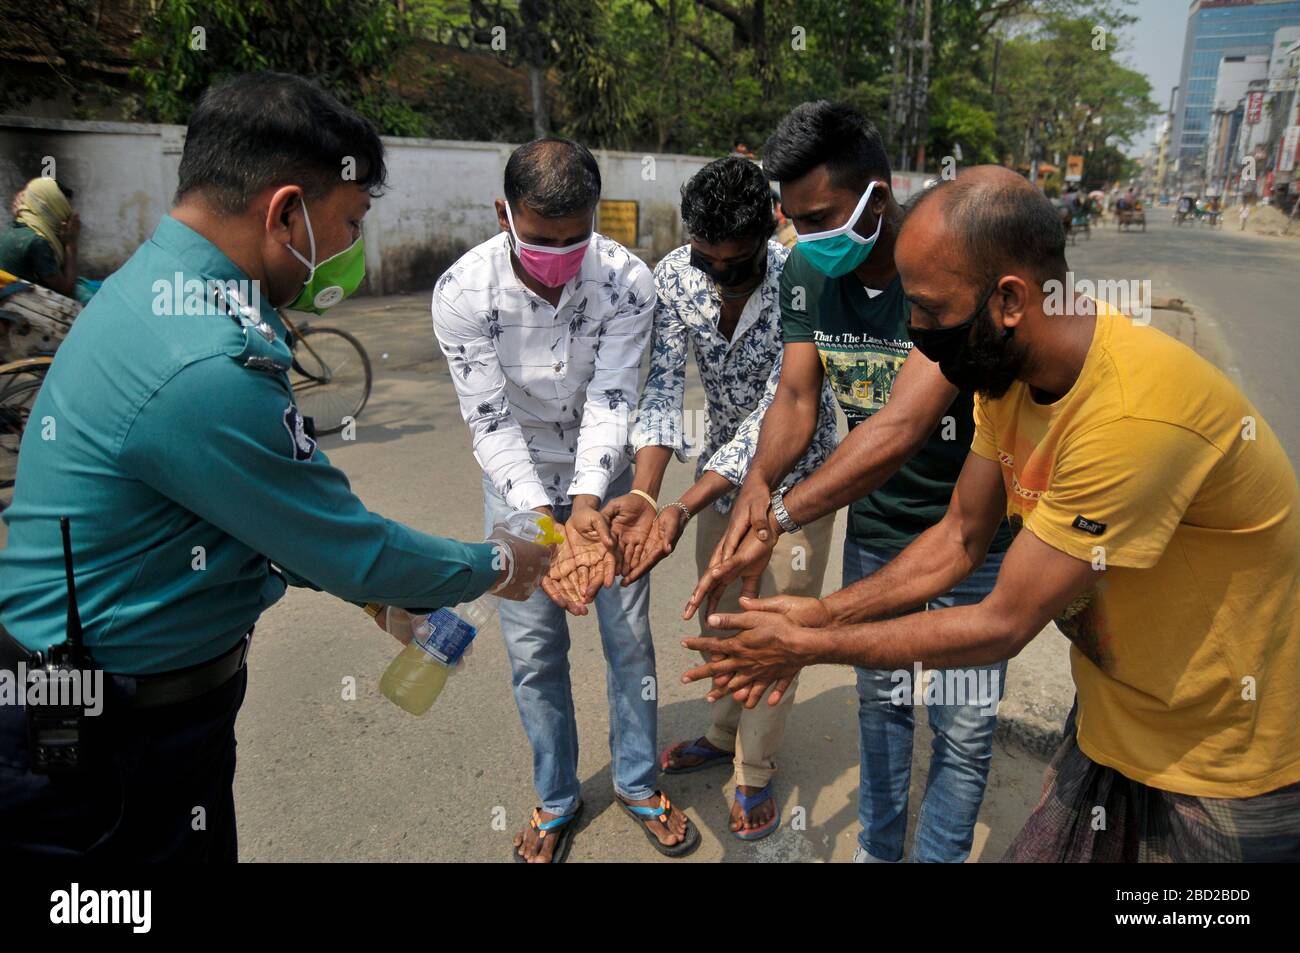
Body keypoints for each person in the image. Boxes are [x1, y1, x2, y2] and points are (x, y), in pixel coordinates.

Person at [0, 72, 554, 861]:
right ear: (286, 210)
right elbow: (346, 543)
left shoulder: (167, 291)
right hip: (100, 742)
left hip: (131, 715)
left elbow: (244, 511)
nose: (353, 250)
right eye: (350, 221)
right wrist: (500, 561)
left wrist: (375, 601)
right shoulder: (200, 363)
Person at [682, 165, 1300, 863]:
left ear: (1009, 299)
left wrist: (812, 646)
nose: (915, 331)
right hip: (1116, 723)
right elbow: (958, 538)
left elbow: (1002, 621)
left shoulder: (1130, 415)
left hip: (1229, 764)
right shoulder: (1005, 378)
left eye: (932, 310)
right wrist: (825, 613)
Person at [687, 102, 1014, 864]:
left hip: (974, 530)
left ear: (881, 190)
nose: (811, 237)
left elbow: (899, 427)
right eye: (796, 220)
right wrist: (756, 486)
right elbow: (797, 397)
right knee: (883, 704)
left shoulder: (939, 270)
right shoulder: (805, 271)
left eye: (826, 216)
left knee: (961, 729)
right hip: (878, 529)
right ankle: (878, 849)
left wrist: (782, 517)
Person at [431, 136, 699, 863]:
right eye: (540, 239)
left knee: (628, 636)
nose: (557, 255)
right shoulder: (461, 292)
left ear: (595, 220)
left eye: (574, 238)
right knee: (532, 648)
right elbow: (488, 421)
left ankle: (639, 782)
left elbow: (615, 396)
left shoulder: (626, 281)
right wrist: (543, 526)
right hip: (515, 484)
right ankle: (556, 796)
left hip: (602, 481)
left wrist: (585, 505)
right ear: (503, 214)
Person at [603, 156, 838, 839]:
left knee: (776, 625)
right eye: (708, 261)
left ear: (771, 226)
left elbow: (784, 404)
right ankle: (720, 729)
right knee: (718, 611)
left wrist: (684, 502)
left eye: (735, 264)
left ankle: (754, 771)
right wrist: (649, 497)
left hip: (799, 478)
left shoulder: (803, 277)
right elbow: (662, 385)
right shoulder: (676, 274)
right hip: (716, 476)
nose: (718, 276)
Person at [0, 177, 94, 302]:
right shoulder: (37, 242)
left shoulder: (12, 228)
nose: (68, 217)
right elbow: (66, 290)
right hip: (32, 305)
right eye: (64, 209)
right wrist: (71, 244)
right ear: (52, 209)